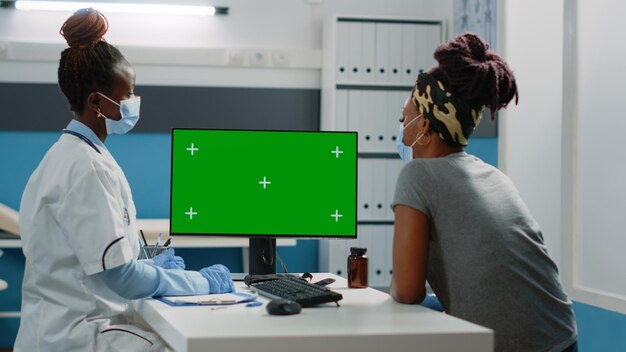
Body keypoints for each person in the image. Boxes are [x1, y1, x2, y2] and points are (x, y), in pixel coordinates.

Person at [15, 8, 235, 352]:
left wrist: (147, 262)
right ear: (95, 102)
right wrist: (198, 282)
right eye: (125, 96)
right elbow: (120, 276)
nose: (132, 104)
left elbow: (95, 252)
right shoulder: (85, 167)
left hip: (59, 327)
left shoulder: (71, 156)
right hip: (81, 333)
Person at [390, 33, 578, 352]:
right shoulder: (491, 174)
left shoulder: (417, 174)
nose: (400, 128)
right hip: (562, 335)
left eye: (403, 119)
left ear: (422, 127)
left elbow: (408, 292)